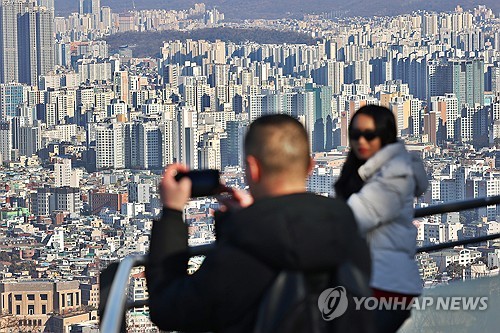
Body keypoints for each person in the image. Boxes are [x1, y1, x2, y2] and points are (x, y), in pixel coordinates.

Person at [146, 114, 372, 332]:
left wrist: (172, 213)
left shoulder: (241, 255)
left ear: (252, 169)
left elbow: (168, 309)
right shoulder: (351, 234)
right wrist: (248, 218)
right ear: (310, 167)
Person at [334, 105, 429, 333]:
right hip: (367, 281)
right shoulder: (364, 170)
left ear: (385, 136)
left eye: (369, 135)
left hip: (388, 285)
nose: (361, 141)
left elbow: (352, 217)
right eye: (355, 135)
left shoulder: (396, 175)